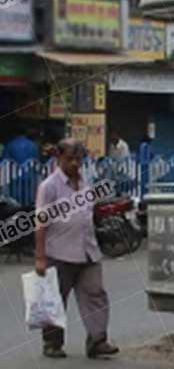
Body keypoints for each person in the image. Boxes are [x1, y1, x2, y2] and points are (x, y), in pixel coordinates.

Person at [34, 139, 118, 359]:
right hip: (58, 252)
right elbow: (40, 223)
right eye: (69, 159)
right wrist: (40, 258)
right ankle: (52, 343)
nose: (74, 164)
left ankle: (98, 341)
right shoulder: (49, 186)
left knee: (95, 294)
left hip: (87, 250)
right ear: (58, 158)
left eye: (78, 159)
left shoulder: (85, 182)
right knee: (55, 299)